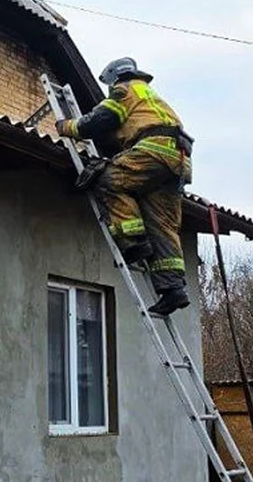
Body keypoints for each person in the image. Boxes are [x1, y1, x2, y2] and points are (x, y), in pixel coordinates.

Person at [56, 57, 194, 316]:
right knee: (163, 224)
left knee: (109, 180)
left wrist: (67, 127)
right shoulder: (151, 97)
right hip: (177, 161)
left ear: (114, 78)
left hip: (153, 151)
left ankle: (133, 241)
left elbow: (101, 120)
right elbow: (122, 131)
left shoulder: (125, 89)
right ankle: (174, 290)